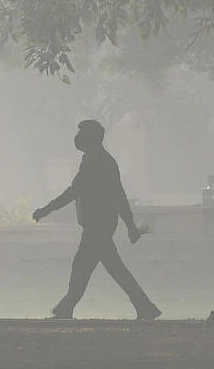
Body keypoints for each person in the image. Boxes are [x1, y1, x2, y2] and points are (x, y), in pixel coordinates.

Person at [32, 119, 162, 321]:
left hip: (98, 225)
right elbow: (117, 194)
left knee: (87, 267)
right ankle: (145, 307)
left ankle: (66, 308)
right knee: (108, 268)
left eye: (81, 134)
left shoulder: (97, 162)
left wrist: (46, 210)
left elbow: (78, 191)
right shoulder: (97, 159)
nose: (77, 138)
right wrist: (129, 225)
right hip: (100, 224)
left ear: (91, 138)